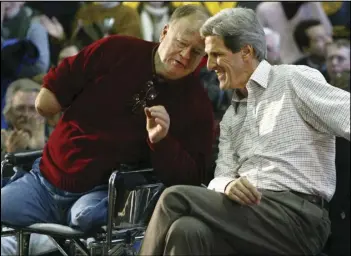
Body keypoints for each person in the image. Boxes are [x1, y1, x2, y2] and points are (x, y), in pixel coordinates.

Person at [1, 4, 213, 254]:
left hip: (102, 197)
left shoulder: (198, 105)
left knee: (86, 220)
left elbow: (192, 178)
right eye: (181, 42)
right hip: (45, 181)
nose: (185, 56)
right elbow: (53, 91)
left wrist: (162, 142)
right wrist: (50, 97)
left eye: (197, 52)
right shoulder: (116, 49)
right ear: (164, 32)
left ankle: (53, 239)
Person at [139, 7, 350, 256]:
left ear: (246, 52)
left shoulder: (291, 79)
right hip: (248, 215)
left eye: (216, 55)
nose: (209, 65)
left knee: (172, 199)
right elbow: (220, 176)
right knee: (187, 229)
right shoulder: (231, 117)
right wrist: (227, 184)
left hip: (297, 218)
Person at [256, 2, 332, 64]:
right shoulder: (265, 9)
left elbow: (327, 32)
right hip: (278, 63)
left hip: (307, 61)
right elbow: (258, 42)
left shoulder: (311, 5)